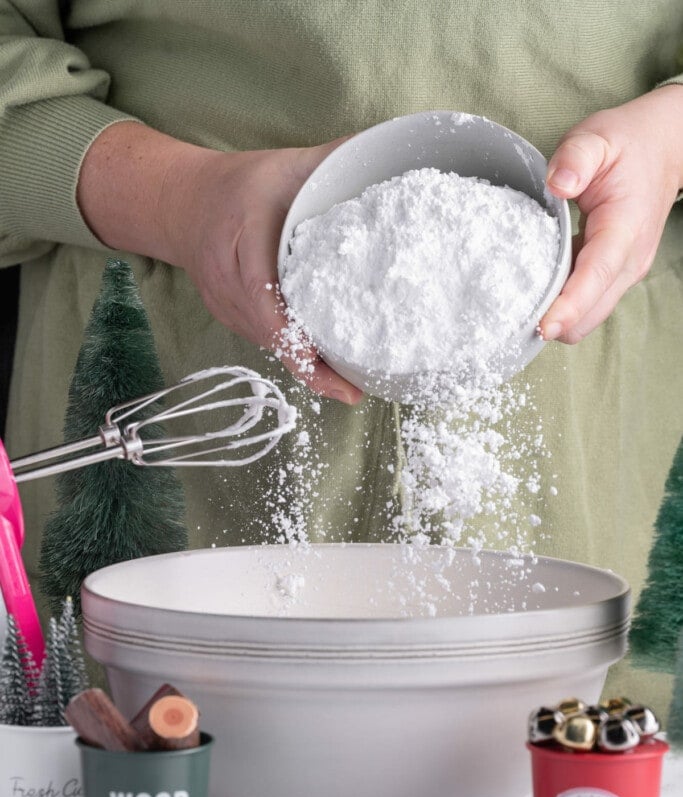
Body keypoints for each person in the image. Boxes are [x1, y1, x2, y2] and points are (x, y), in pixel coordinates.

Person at [0, 2, 681, 714]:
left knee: (590, 778)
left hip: (602, 431)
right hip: (182, 430)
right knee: (161, 773)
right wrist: (175, 197)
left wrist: (671, 135)